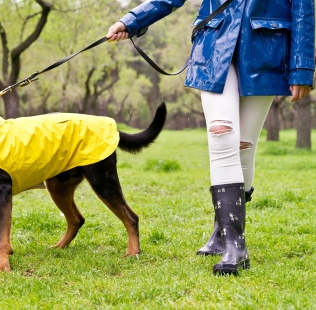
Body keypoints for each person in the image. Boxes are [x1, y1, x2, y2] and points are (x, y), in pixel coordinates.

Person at [106, 0, 315, 275]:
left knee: (244, 147)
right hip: (214, 45)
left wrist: (302, 67)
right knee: (222, 136)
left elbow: (303, 9)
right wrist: (132, 20)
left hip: (267, 49)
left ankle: (223, 231)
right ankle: (235, 247)